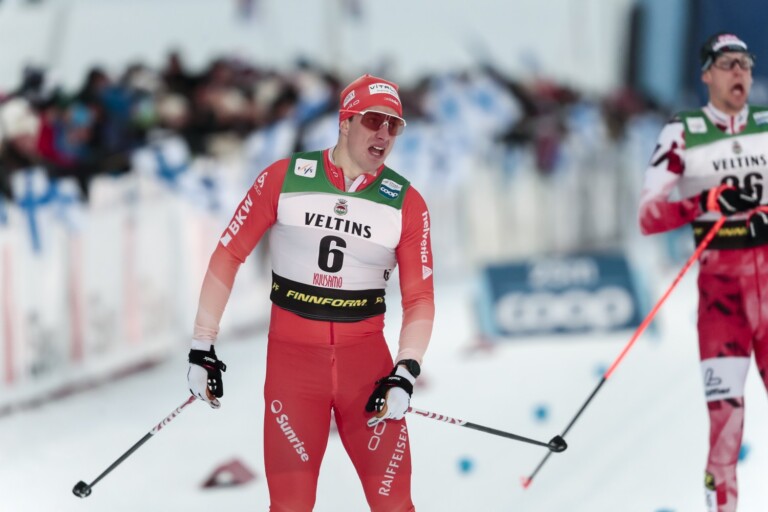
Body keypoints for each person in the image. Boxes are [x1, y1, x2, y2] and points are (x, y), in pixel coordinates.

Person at [186, 73, 435, 511]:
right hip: (294, 371)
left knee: (395, 505)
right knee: (290, 507)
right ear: (345, 122)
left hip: (368, 374)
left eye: (394, 125)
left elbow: (419, 300)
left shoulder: (405, 203)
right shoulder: (283, 178)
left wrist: (405, 371)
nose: (383, 133)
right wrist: (201, 346)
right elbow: (228, 255)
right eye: (373, 120)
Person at [638, 32, 768, 512]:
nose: (739, 72)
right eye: (728, 63)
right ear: (707, 74)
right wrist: (705, 201)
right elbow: (648, 216)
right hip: (723, 305)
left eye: (745, 63)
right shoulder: (683, 132)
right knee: (726, 426)